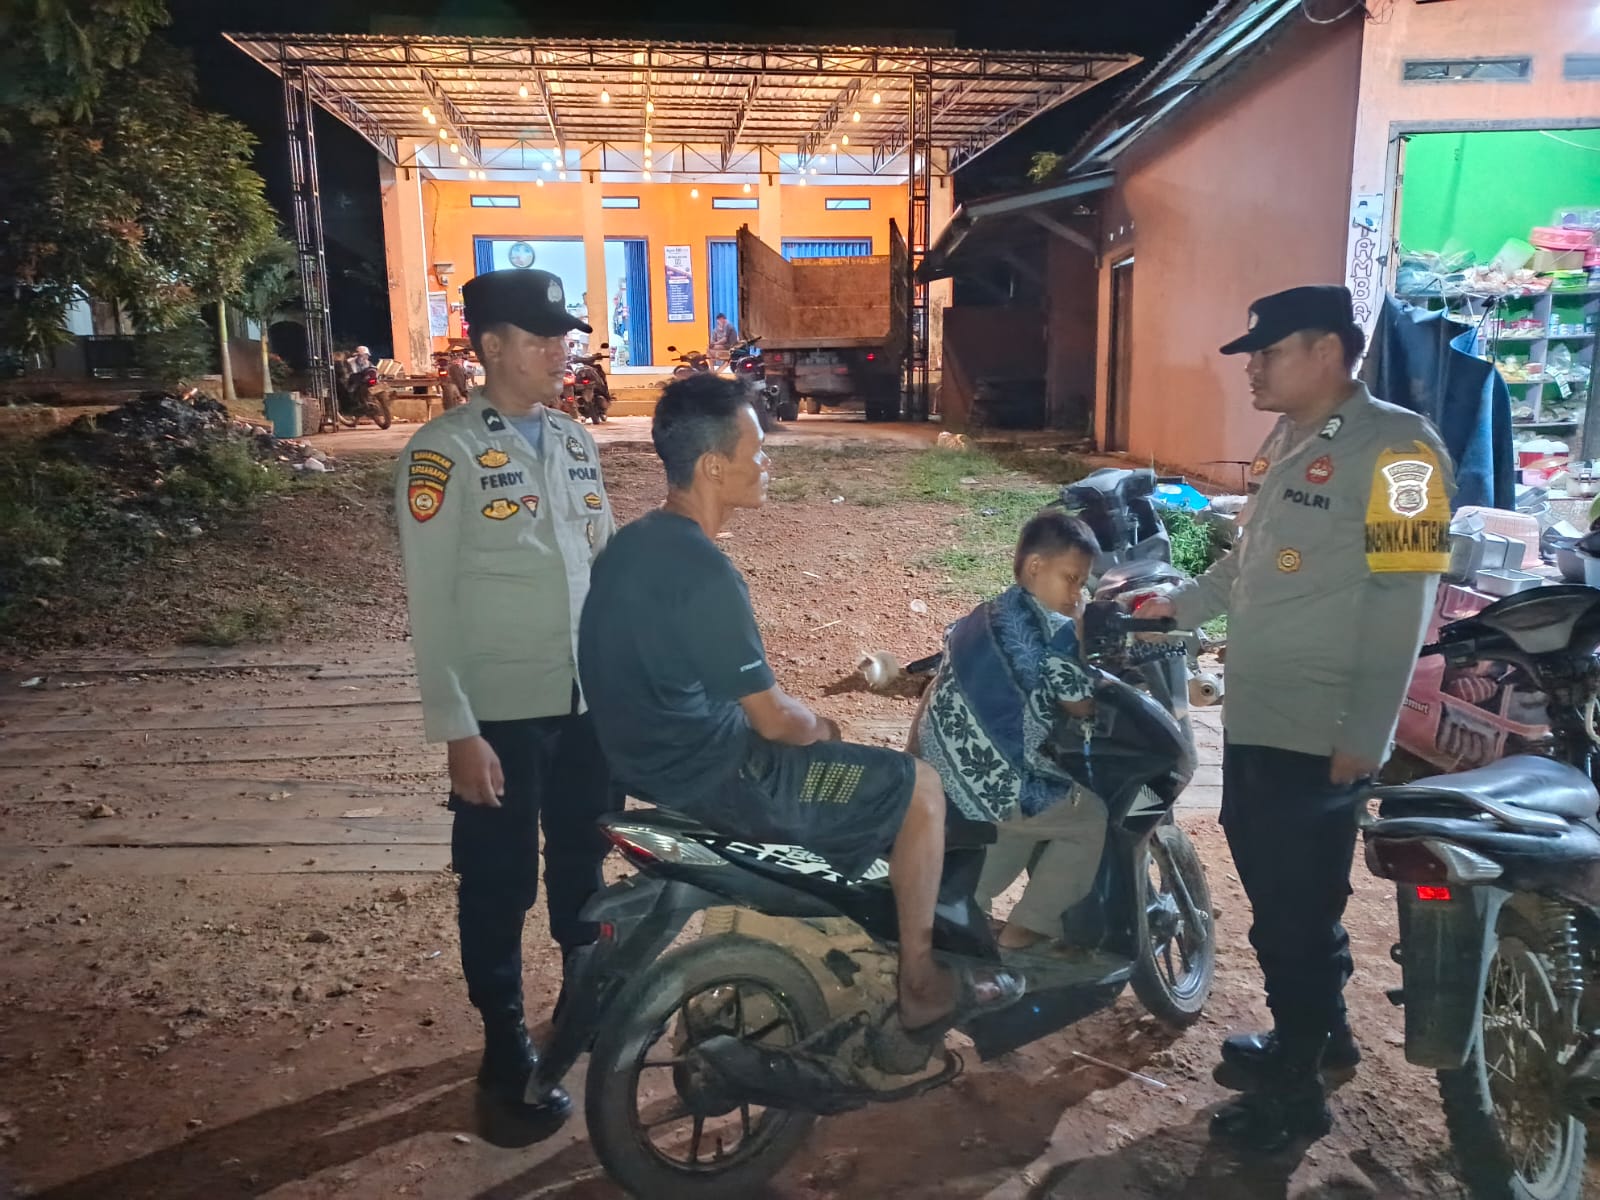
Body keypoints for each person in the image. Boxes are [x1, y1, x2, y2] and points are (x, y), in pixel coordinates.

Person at [578, 373, 1024, 1038]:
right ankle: (921, 981)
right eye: (753, 450)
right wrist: (824, 725)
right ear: (710, 465)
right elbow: (773, 719)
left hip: (656, 762)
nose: (766, 461)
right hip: (729, 776)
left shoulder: (633, 545)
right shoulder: (703, 571)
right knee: (920, 788)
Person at [1138, 285, 1455, 1153]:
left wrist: (1369, 732)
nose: (1251, 371)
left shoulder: (1401, 453)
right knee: (1288, 894)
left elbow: (1406, 597)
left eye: (1266, 354)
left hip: (1323, 722)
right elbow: (1248, 563)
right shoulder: (1293, 437)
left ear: (1324, 350)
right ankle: (1324, 1039)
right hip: (1264, 712)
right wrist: (1179, 607)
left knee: (1291, 905)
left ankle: (1295, 1094)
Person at [394, 267, 622, 1122]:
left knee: (583, 863)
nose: (561, 349)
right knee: (496, 884)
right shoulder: (440, 451)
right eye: (541, 337)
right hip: (500, 712)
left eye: (562, 335)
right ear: (492, 348)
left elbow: (605, 568)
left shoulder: (575, 443)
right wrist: (457, 727)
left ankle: (577, 1004)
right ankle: (504, 1044)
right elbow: (432, 596)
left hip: (584, 705)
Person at [911, 510, 1104, 953]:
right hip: (990, 784)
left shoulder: (984, 613)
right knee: (1089, 816)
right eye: (1072, 579)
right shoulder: (1056, 632)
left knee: (1022, 810)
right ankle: (1028, 929)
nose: (1077, 593)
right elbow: (1081, 704)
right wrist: (1079, 630)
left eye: (1082, 584)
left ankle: (972, 901)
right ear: (1036, 567)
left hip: (937, 769)